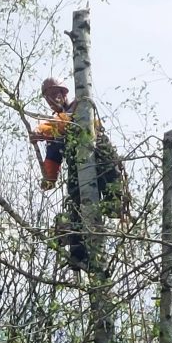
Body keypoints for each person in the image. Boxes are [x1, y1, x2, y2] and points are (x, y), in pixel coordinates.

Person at [30, 77, 122, 266]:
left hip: (99, 156)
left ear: (64, 93)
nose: (52, 99)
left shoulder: (81, 108)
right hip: (77, 168)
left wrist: (41, 130)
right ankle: (78, 253)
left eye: (55, 94)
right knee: (76, 206)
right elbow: (54, 156)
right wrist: (48, 178)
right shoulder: (56, 128)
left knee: (111, 175)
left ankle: (114, 202)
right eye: (48, 97)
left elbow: (65, 123)